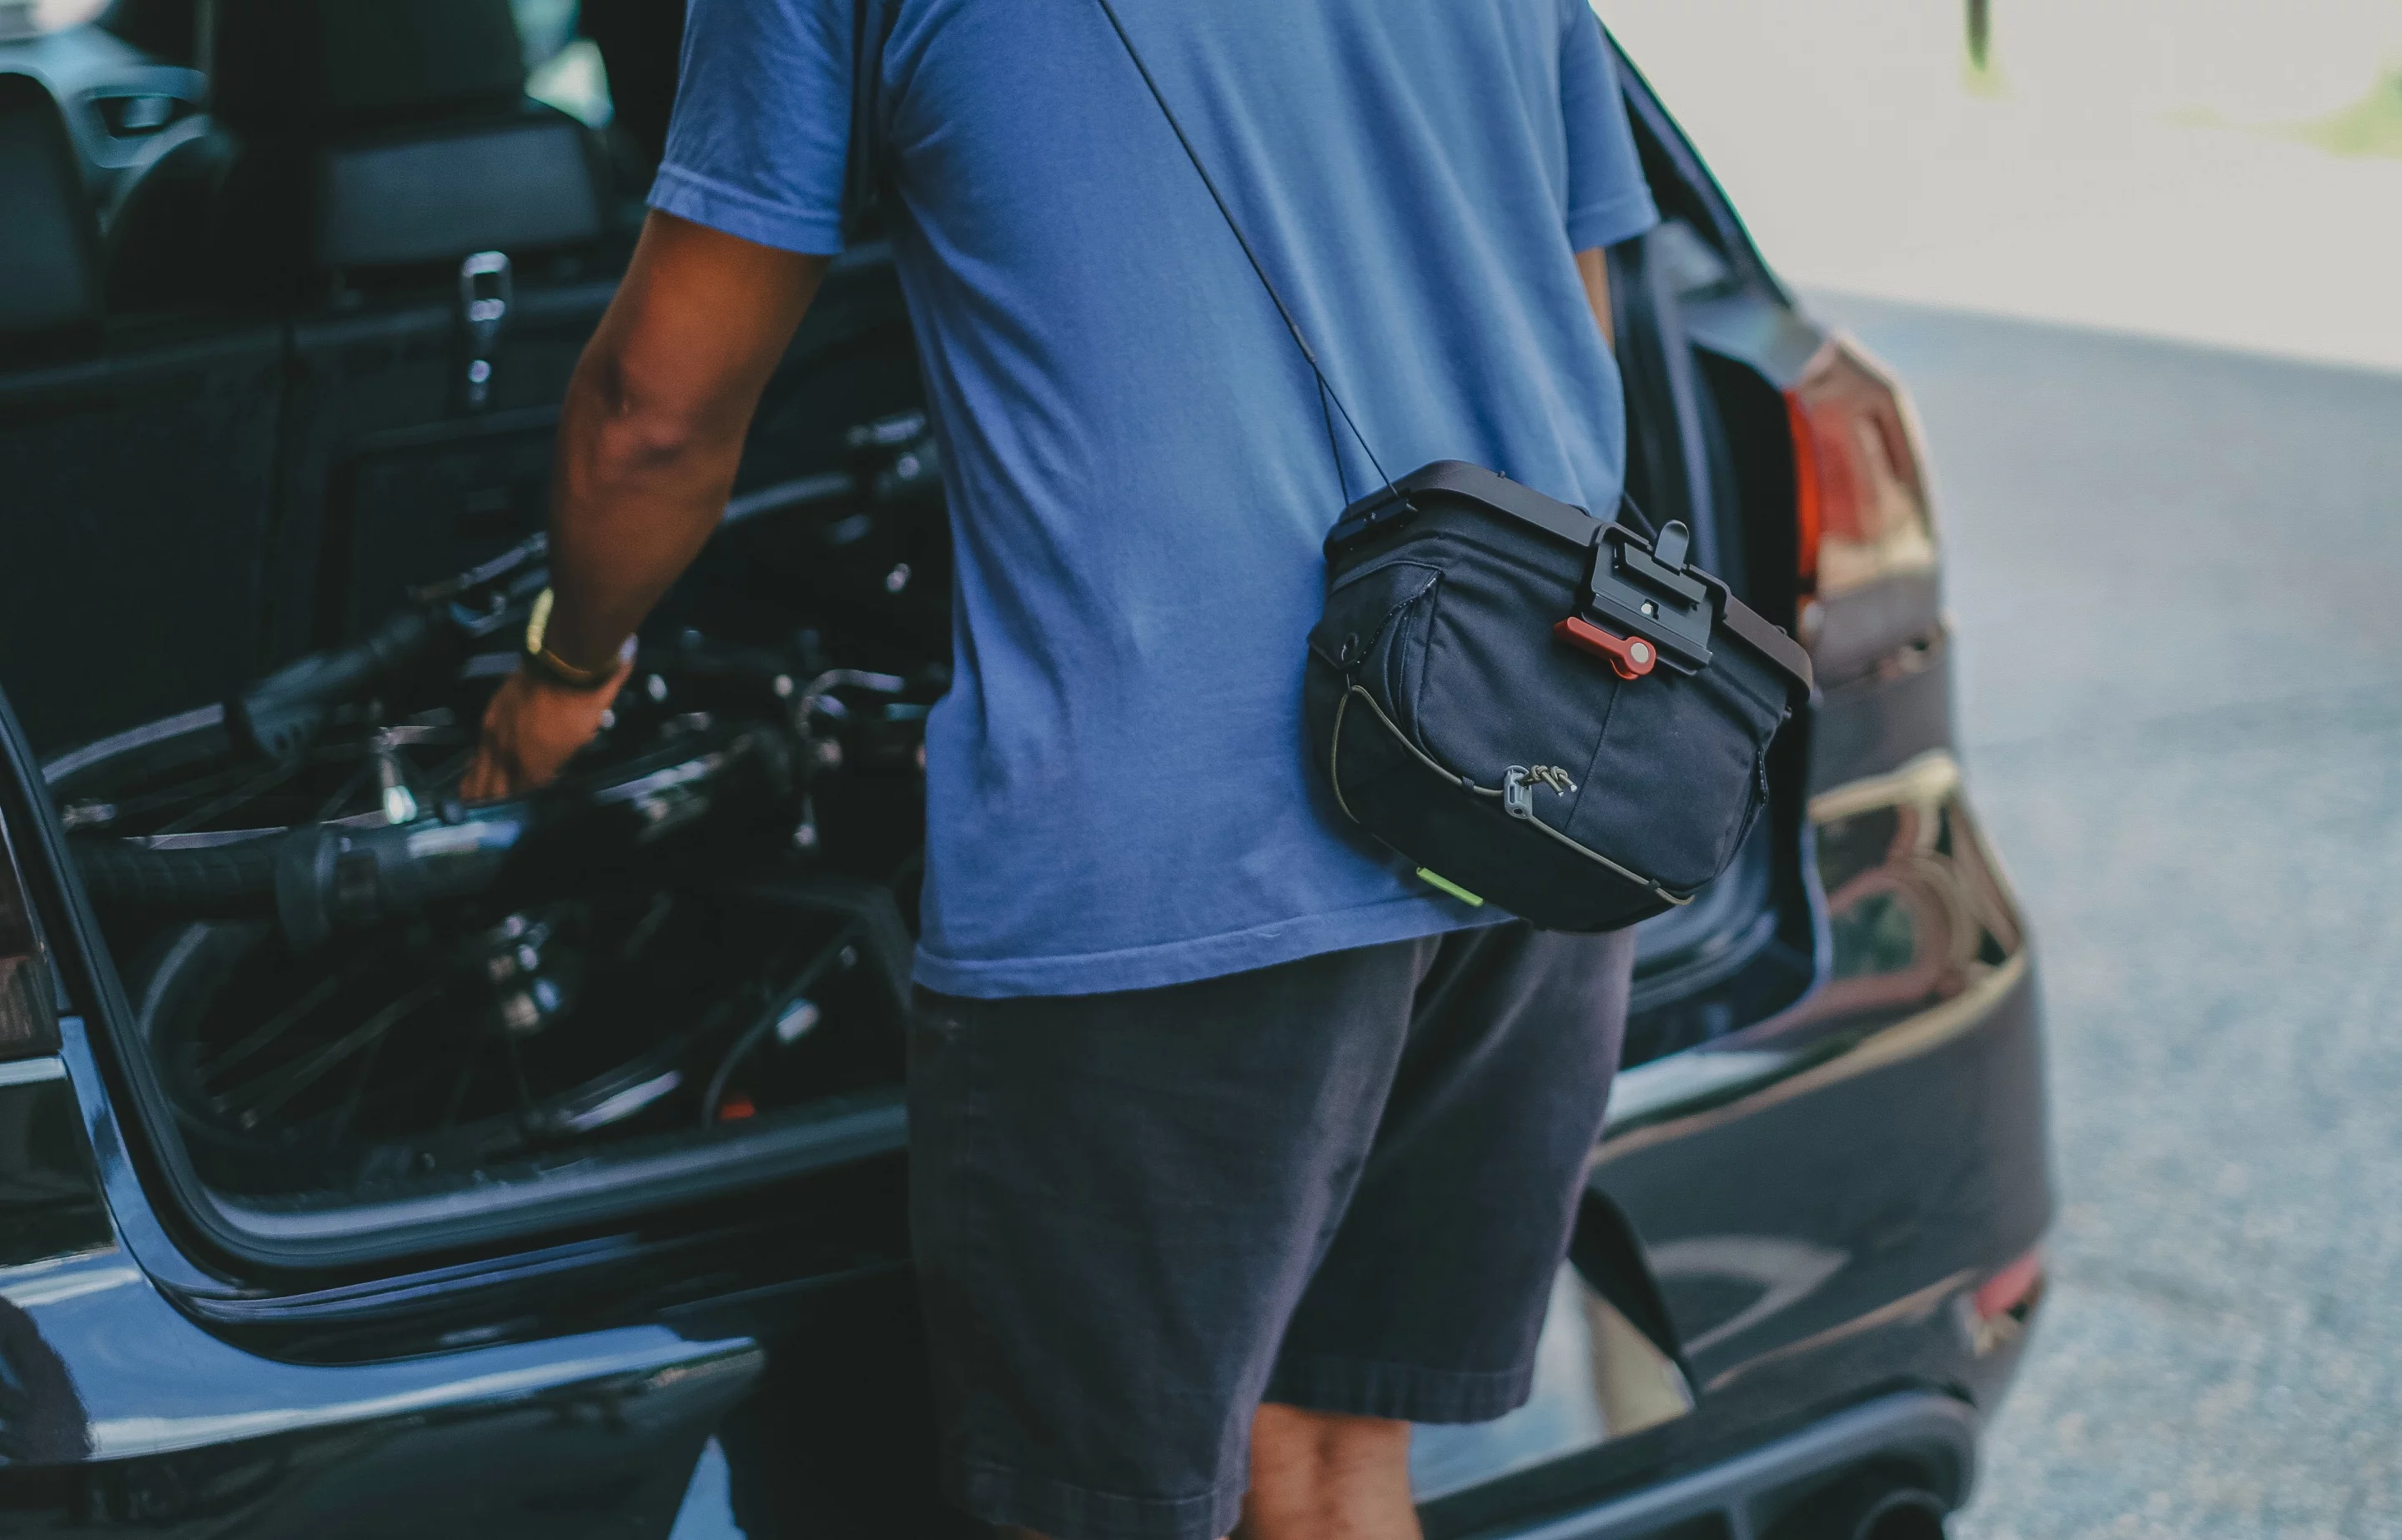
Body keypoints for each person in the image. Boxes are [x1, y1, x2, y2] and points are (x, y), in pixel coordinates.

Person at [464, 1, 1661, 1535]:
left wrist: (562, 676)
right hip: (1535, 782)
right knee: (1328, 1457)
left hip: (1170, 855)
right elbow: (1572, 325)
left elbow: (651, 419)